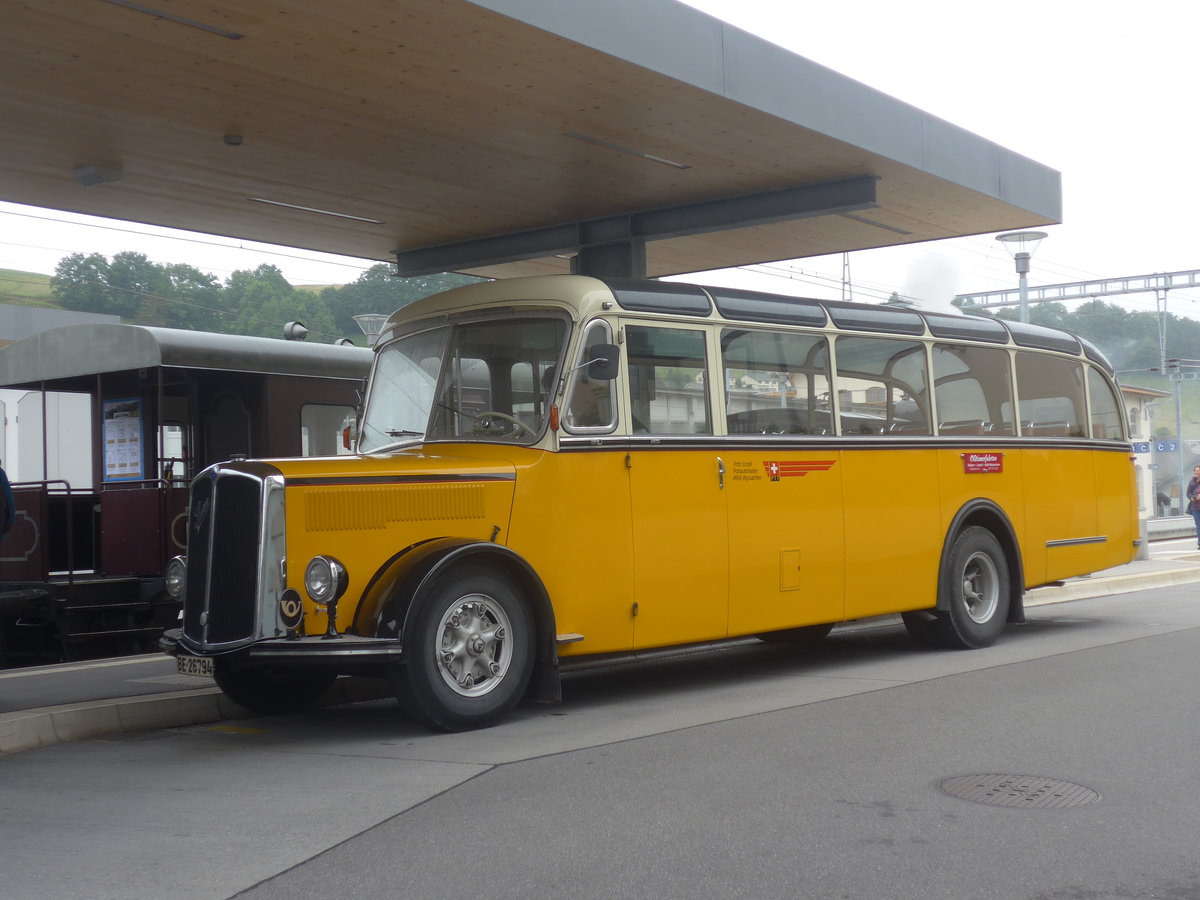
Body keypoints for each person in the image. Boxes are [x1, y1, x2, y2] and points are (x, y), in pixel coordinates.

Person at [1187, 466, 1200, 550]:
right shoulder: (1191, 481)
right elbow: (1188, 493)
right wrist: (1192, 497)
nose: (1196, 472)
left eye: (1198, 470)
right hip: (1195, 507)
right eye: (1195, 470)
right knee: (1198, 525)